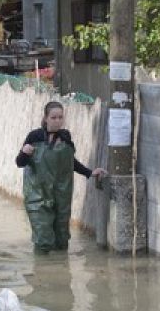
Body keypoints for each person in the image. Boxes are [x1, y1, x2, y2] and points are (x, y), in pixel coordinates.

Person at [15, 101, 107, 254]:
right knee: (43, 240)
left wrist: (90, 172)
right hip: (38, 195)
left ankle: (61, 272)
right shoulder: (34, 136)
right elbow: (20, 163)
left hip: (61, 195)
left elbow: (71, 162)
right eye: (53, 117)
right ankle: (41, 271)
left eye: (60, 117)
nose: (57, 121)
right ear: (46, 118)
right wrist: (24, 152)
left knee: (62, 240)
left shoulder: (65, 138)